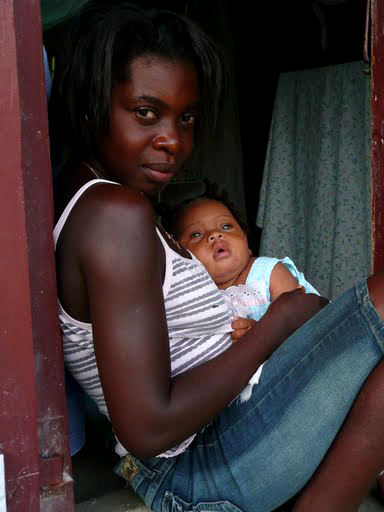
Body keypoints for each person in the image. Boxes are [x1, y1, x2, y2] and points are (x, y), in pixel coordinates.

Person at [51, 3, 384, 511]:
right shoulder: (112, 214)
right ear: (94, 103)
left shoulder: (97, 192)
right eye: (146, 112)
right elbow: (148, 427)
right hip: (196, 466)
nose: (173, 141)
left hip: (222, 428)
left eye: (185, 118)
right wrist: (279, 321)